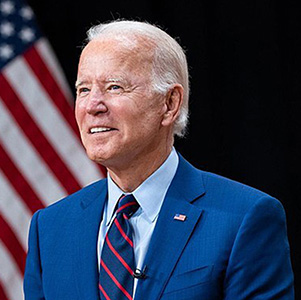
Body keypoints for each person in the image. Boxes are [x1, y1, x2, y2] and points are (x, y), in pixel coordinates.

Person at [24, 20, 294, 300]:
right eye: (83, 89)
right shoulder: (50, 228)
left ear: (169, 104)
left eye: (114, 87)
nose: (92, 105)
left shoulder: (244, 219)